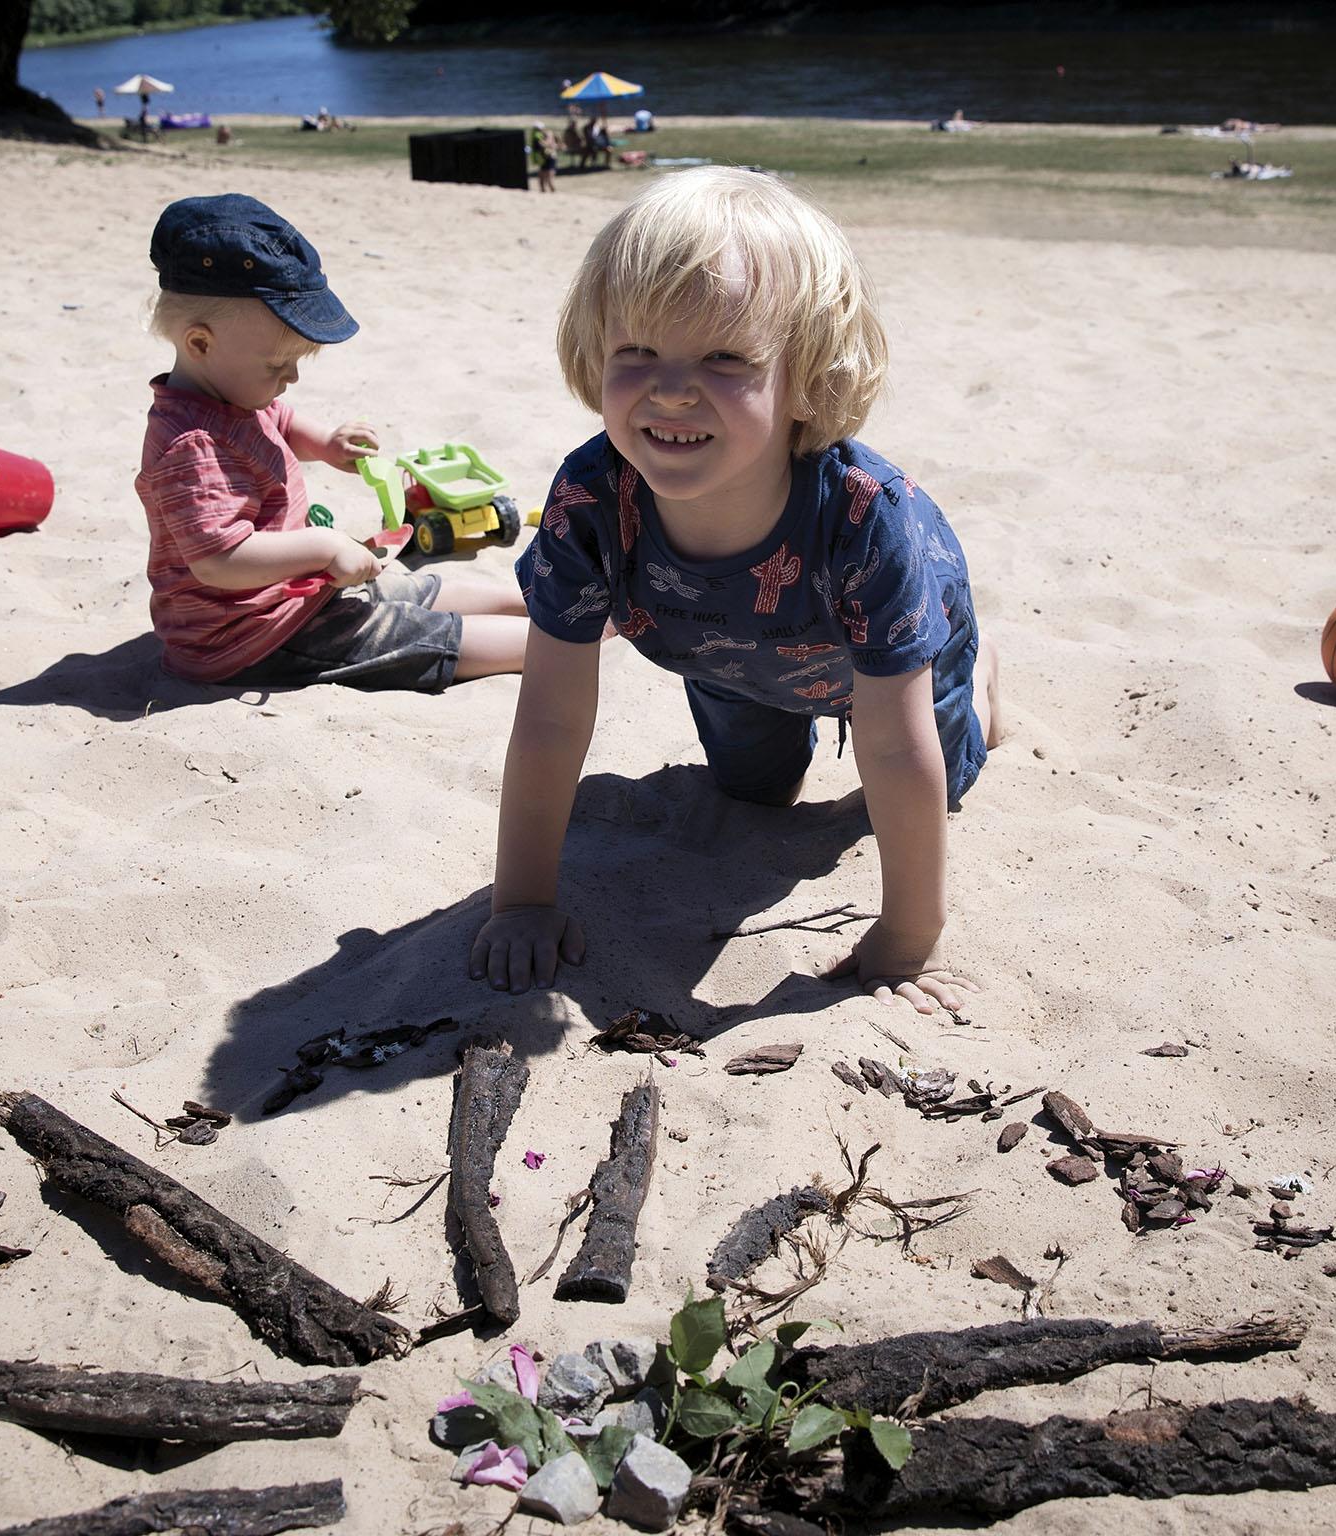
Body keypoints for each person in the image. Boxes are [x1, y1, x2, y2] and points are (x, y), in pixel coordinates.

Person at [469, 168, 1002, 1014]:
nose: (672, 387)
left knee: (935, 776)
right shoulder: (589, 500)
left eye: (726, 358)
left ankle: (978, 679)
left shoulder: (867, 517)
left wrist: (908, 935)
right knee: (752, 794)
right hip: (724, 658)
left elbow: (897, 755)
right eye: (635, 352)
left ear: (806, 381)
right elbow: (550, 715)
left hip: (884, 656)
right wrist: (525, 901)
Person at [136, 194, 529, 693]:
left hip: (296, 594)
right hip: (248, 636)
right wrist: (323, 546)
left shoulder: (233, 393)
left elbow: (279, 420)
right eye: (277, 366)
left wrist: (326, 443)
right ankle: (551, 644)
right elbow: (219, 560)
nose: (292, 376)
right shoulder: (190, 447)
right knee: (411, 635)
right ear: (200, 344)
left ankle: (543, 605)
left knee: (412, 588)